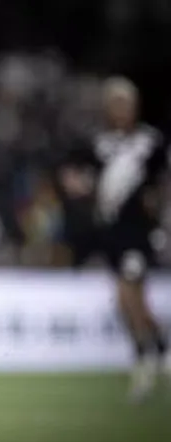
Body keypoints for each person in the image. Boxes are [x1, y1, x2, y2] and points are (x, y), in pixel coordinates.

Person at [58, 76, 169, 401]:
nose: (120, 111)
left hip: (141, 231)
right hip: (112, 233)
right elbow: (74, 170)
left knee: (129, 292)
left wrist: (162, 218)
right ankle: (155, 350)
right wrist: (75, 184)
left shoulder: (151, 143)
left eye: (125, 105)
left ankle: (150, 357)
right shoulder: (100, 144)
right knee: (126, 301)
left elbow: (162, 185)